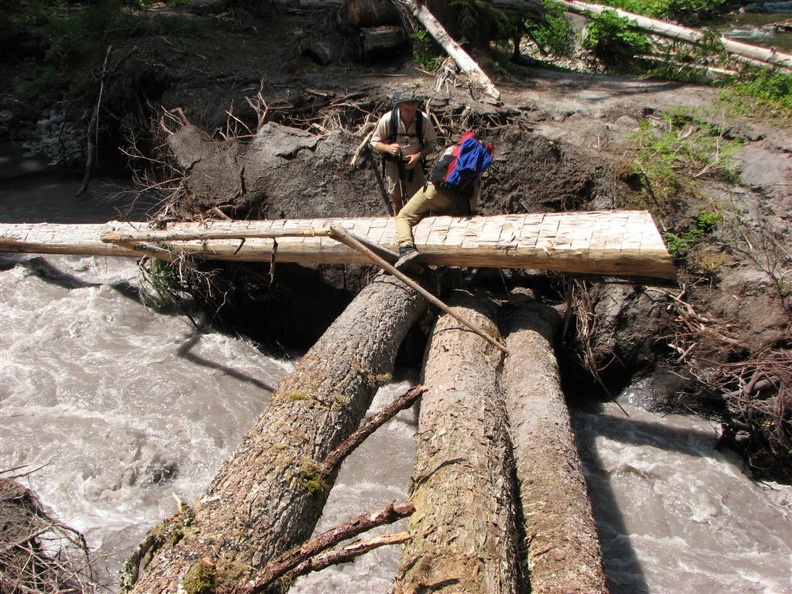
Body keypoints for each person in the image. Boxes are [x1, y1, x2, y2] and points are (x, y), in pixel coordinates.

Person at [394, 134, 494, 270]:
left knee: (403, 216)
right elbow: (474, 190)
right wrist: (472, 213)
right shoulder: (477, 160)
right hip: (452, 199)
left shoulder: (454, 149)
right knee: (443, 228)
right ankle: (446, 269)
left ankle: (406, 249)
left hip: (433, 190)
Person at [370, 90, 437, 215]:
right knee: (396, 199)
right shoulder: (388, 119)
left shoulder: (423, 120)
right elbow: (374, 142)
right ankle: (398, 224)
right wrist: (388, 148)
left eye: (413, 110)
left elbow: (432, 144)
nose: (411, 114)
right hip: (393, 164)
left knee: (418, 200)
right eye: (407, 110)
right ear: (399, 106)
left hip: (415, 165)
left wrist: (418, 156)